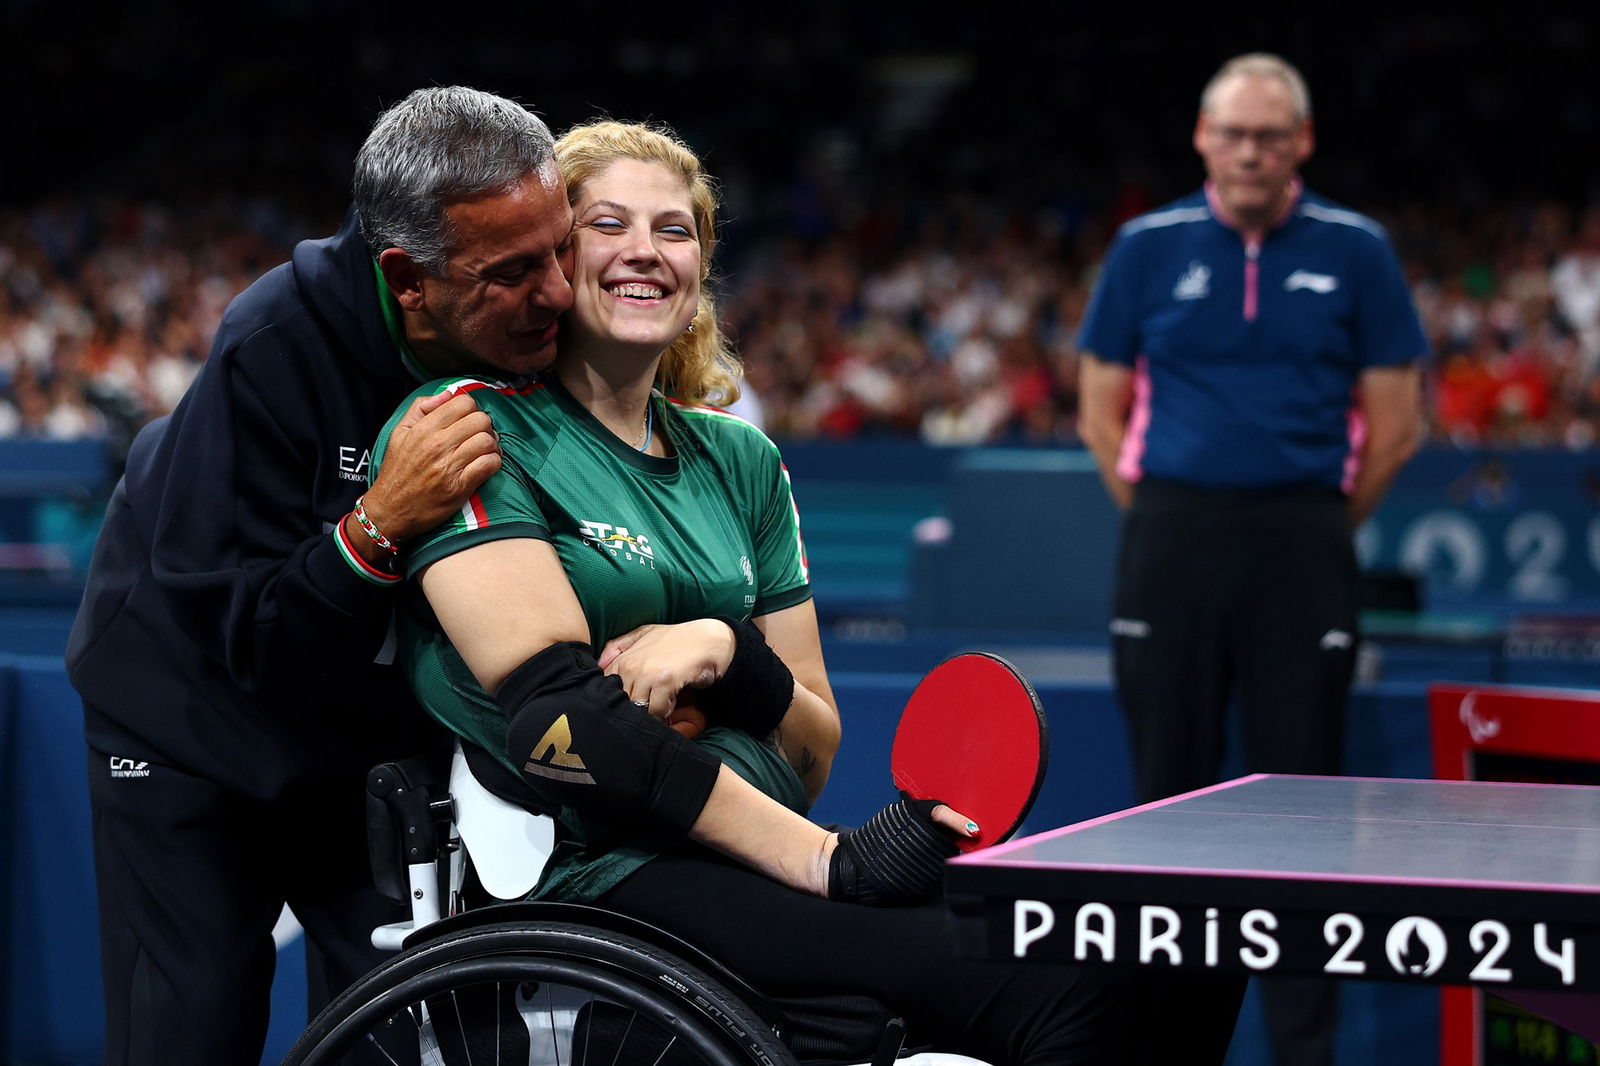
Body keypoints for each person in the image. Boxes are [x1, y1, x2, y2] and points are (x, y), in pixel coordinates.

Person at [374, 119, 1227, 1066]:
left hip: (766, 849)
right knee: (1069, 979)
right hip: (608, 873)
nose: (646, 252)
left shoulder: (742, 460)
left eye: (676, 229)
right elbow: (567, 732)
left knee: (1175, 945)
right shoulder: (470, 431)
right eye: (608, 224)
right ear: (556, 261)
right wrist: (829, 862)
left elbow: (814, 747)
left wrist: (727, 656)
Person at [64, 86, 576, 1065]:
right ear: (407, 278)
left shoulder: (541, 333)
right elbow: (243, 634)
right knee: (193, 1021)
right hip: (188, 724)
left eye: (561, 250)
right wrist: (379, 521)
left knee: (414, 1024)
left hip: (362, 740)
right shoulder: (274, 345)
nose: (556, 291)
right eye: (513, 271)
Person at [1076, 53, 1427, 1066]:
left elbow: (1395, 428)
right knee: (1163, 806)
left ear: (1301, 145)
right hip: (1171, 540)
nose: (1249, 151)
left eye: (1270, 135)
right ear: (1201, 137)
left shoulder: (1357, 251)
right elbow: (1101, 411)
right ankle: (1155, 1044)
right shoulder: (1146, 247)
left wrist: (1306, 527)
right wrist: (1171, 522)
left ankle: (1301, 1053)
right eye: (1232, 133)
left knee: (1302, 816)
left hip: (1302, 544)